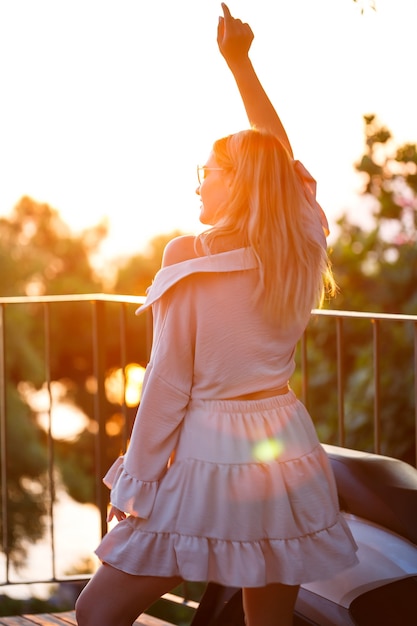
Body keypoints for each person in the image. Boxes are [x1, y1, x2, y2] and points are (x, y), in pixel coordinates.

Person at [75, 4, 358, 626]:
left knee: (96, 613)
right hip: (283, 445)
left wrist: (138, 483)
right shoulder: (299, 247)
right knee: (268, 620)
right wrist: (240, 63)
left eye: (209, 172)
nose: (199, 184)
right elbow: (278, 158)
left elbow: (167, 382)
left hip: (211, 452)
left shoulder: (191, 255)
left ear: (239, 183)